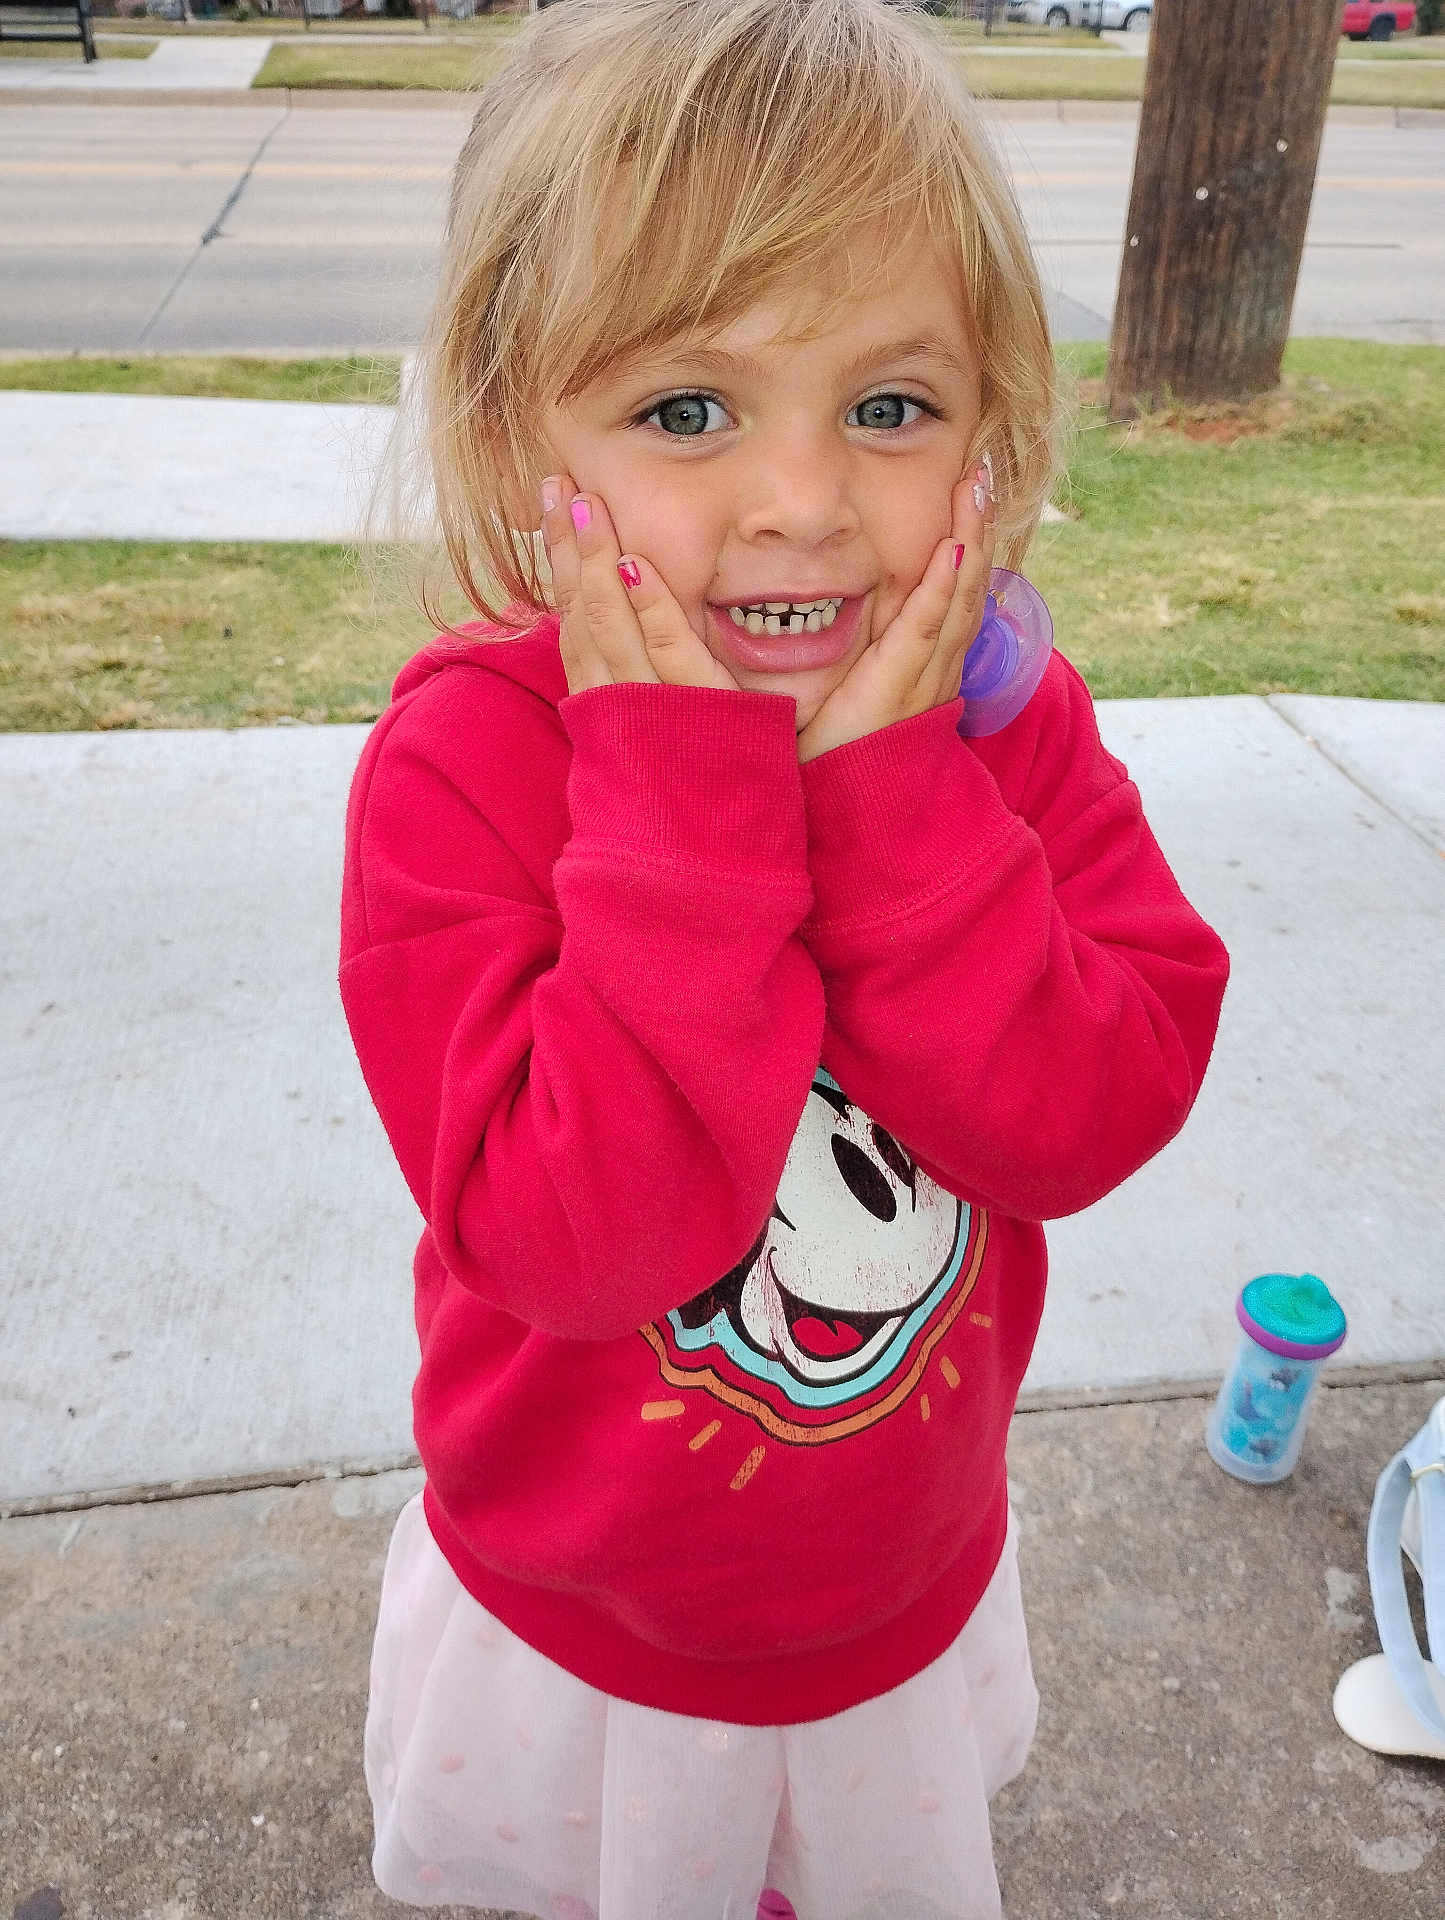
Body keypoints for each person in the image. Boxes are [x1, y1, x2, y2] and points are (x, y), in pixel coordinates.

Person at [338, 0, 1230, 1914]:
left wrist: (903, 807)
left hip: (893, 1582)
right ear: (516, 438)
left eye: (889, 408)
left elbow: (1096, 1104)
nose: (804, 502)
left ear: (992, 424)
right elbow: (576, 1244)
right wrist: (678, 803)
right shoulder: (473, 768)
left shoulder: (1002, 725)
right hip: (584, 1622)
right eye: (685, 409)